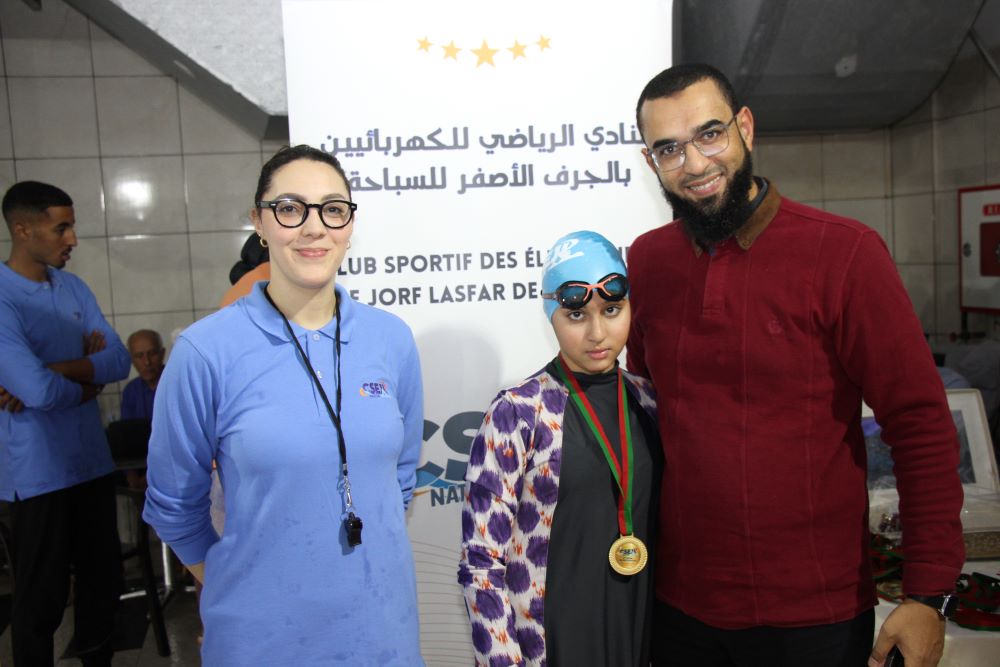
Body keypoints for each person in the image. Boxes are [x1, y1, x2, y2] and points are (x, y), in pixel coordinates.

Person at [627, 63, 964, 667]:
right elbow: (646, 417)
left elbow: (919, 423)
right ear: (651, 163)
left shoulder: (845, 252)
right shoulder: (648, 262)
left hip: (816, 618)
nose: (695, 163)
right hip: (678, 608)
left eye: (710, 134)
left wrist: (928, 592)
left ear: (745, 128)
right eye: (670, 149)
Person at [142, 145, 424, 665]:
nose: (314, 228)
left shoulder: (390, 339)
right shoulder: (205, 352)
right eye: (291, 208)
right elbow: (173, 505)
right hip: (260, 641)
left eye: (333, 209)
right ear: (259, 222)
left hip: (382, 635)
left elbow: (400, 477)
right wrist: (237, 579)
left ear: (349, 224)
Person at [459, 231, 662, 667]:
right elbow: (481, 560)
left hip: (641, 636)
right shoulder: (519, 412)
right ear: (551, 316)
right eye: (576, 316)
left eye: (612, 310)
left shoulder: (649, 401)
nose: (597, 333)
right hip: (553, 645)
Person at [0, 181, 131, 666]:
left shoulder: (73, 288)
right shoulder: (3, 297)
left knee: (103, 588)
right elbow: (37, 392)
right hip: (38, 476)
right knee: (42, 601)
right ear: (22, 229)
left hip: (90, 464)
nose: (72, 238)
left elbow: (118, 361)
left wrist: (53, 368)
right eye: (61, 228)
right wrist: (85, 382)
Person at [120, 328, 165, 420]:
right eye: (139, 356)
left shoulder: (178, 385)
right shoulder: (131, 391)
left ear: (162, 354)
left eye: (152, 354)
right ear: (131, 360)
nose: (147, 362)